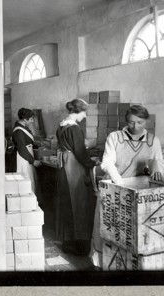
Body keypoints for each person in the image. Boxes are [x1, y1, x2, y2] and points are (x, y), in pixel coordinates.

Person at [89, 105, 164, 268]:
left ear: (146, 121)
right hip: (114, 187)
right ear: (126, 121)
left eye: (140, 122)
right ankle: (103, 263)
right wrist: (119, 183)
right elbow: (107, 162)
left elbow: (158, 162)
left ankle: (128, 264)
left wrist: (157, 172)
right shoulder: (115, 137)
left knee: (131, 231)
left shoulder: (153, 141)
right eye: (131, 122)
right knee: (107, 226)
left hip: (137, 189)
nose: (135, 127)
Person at [55, 98, 97, 256]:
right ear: (79, 111)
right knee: (78, 204)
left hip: (63, 166)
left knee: (67, 204)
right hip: (73, 167)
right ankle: (80, 245)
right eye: (84, 113)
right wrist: (91, 163)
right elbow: (80, 152)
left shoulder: (61, 125)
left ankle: (68, 242)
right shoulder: (74, 128)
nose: (85, 116)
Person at [12, 108, 42, 199]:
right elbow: (22, 148)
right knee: (25, 180)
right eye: (31, 119)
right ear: (25, 119)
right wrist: (33, 161)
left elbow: (26, 141)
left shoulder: (23, 128)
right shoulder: (18, 131)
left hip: (27, 154)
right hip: (23, 157)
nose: (32, 121)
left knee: (30, 180)